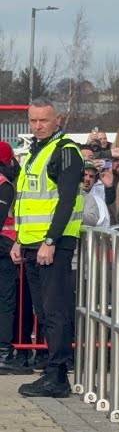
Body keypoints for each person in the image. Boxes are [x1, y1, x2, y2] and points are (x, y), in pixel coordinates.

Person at [9, 99, 84, 397]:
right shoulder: (35, 152)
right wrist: (19, 239)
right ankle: (52, 371)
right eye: (33, 120)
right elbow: (26, 201)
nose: (38, 126)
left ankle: (58, 375)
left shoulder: (65, 151)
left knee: (55, 311)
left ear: (57, 120)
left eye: (44, 120)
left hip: (53, 244)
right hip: (31, 242)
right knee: (43, 311)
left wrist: (50, 241)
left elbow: (66, 201)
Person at [0, 141, 27, 374]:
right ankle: (3, 353)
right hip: (5, 247)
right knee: (5, 302)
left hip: (5, 248)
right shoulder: (5, 184)